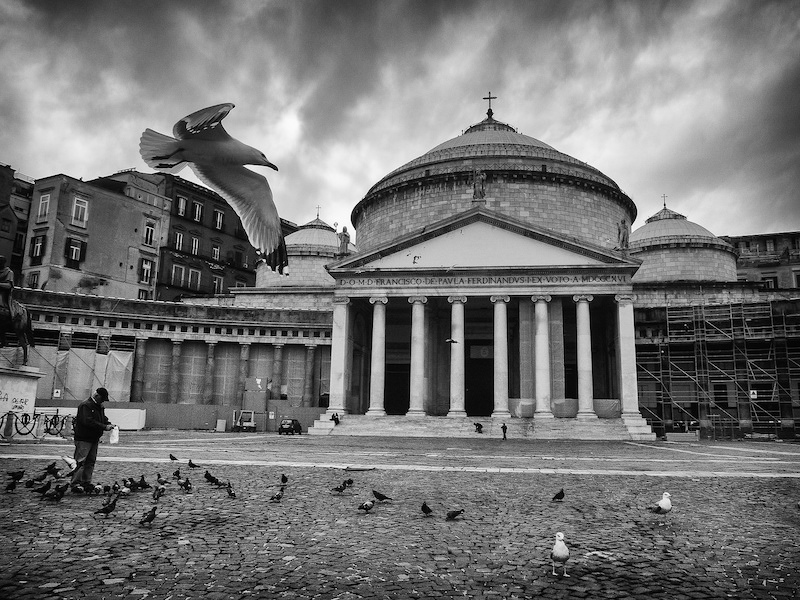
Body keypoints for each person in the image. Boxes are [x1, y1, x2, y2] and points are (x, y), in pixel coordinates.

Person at [71, 387, 115, 488]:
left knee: (90, 461)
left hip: (94, 438)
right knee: (81, 462)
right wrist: (104, 426)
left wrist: (108, 423)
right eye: (102, 399)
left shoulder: (99, 406)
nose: (103, 401)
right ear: (97, 396)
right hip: (84, 438)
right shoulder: (86, 405)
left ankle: (86, 482)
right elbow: (88, 421)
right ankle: (76, 483)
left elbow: (102, 418)